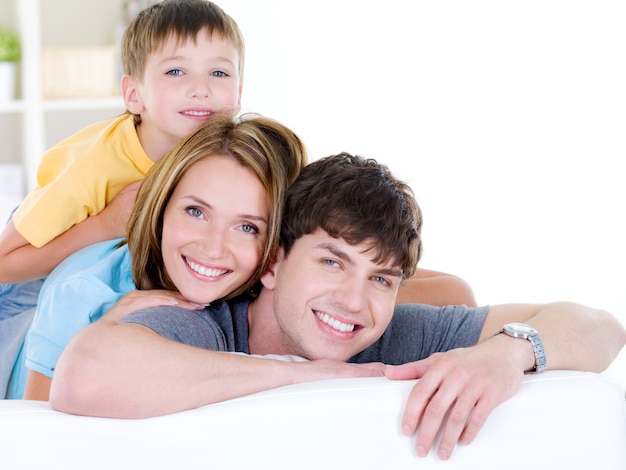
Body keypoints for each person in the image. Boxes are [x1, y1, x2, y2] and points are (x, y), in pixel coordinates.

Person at [51, 153, 626, 461]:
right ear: (272, 264)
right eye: (330, 261)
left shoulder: (393, 335)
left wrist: (508, 354)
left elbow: (602, 328)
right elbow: (83, 375)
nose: (353, 303)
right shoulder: (200, 323)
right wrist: (303, 375)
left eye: (380, 278)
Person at [0, 0, 246, 397]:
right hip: (34, 276)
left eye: (218, 72)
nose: (201, 88)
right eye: (175, 71)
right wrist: (107, 223)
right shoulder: (92, 166)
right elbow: (5, 263)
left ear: (239, 92)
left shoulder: (233, 159)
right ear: (134, 94)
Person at [5, 113, 307, 401]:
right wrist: (105, 329)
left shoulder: (262, 298)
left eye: (246, 227)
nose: (214, 248)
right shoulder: (82, 291)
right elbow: (39, 429)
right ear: (162, 207)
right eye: (196, 212)